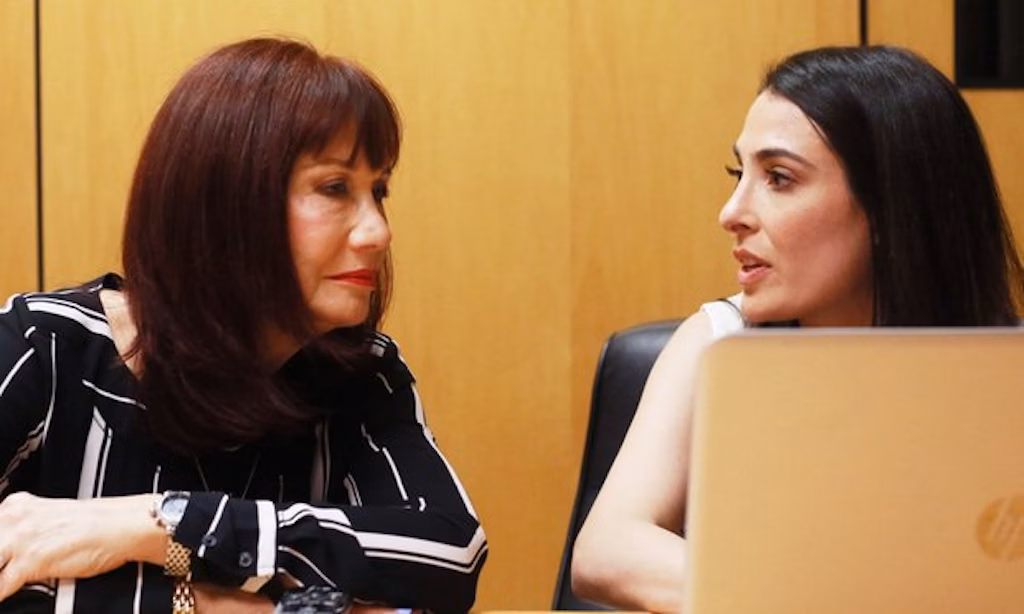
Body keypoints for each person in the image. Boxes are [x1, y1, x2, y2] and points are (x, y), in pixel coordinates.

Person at [0, 38, 487, 614]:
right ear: (226, 201)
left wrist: (160, 523)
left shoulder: (361, 373)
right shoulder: (42, 346)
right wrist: (212, 603)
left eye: (377, 191)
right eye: (335, 188)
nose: (378, 232)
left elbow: (450, 552)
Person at [570, 45, 1023, 612]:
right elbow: (606, 552)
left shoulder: (1006, 376)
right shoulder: (719, 340)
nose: (731, 212)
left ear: (890, 208)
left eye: (779, 178)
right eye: (739, 173)